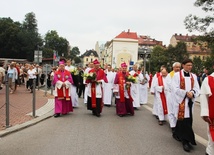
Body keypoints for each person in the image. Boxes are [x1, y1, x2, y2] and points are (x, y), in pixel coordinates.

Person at [171, 59, 200, 152]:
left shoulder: (193, 76)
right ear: (183, 65)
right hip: (181, 101)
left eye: (191, 65)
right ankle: (185, 141)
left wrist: (192, 92)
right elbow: (174, 88)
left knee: (188, 120)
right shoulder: (176, 75)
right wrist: (185, 93)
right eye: (188, 65)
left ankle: (177, 133)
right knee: (183, 120)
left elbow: (197, 88)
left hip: (189, 101)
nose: (190, 67)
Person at [200, 68, 214, 155]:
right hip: (213, 113)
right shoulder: (208, 79)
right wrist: (205, 113)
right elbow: (203, 96)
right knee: (212, 138)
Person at [167, 62, 181, 139]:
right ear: (173, 68)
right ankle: (173, 126)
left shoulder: (181, 75)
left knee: (178, 111)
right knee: (171, 111)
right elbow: (169, 85)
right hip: (171, 96)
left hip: (179, 96)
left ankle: (178, 125)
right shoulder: (170, 75)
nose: (178, 68)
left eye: (179, 67)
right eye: (176, 67)